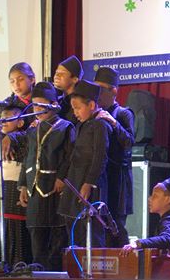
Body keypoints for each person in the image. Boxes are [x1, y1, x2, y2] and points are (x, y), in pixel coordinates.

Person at [18, 82, 76, 271]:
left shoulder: (65, 127)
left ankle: (54, 272)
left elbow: (70, 156)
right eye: (34, 105)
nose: (37, 109)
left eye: (41, 105)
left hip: (54, 188)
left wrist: (62, 177)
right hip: (34, 189)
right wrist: (23, 185)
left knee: (56, 235)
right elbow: (27, 158)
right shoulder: (32, 129)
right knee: (36, 236)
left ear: (53, 104)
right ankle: (38, 271)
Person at [57, 80, 110, 248]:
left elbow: (100, 156)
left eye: (78, 108)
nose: (75, 113)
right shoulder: (81, 125)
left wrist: (89, 182)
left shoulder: (100, 125)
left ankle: (92, 263)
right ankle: (76, 261)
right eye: (73, 108)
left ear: (92, 105)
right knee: (74, 227)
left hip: (89, 183)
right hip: (75, 180)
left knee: (90, 230)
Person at [0, 105, 31, 267]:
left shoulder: (24, 137)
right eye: (1, 119)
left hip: (13, 190)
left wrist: (12, 137)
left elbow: (26, 137)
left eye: (8, 119)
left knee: (14, 228)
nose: (3, 122)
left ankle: (16, 266)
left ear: (20, 122)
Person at [121, 174, 170, 278]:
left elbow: (167, 239)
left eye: (155, 195)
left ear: (168, 199)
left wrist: (138, 243)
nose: (150, 199)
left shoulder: (169, 221)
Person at [94, 66, 135, 247]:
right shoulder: (93, 113)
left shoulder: (124, 113)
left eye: (101, 89)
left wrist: (113, 122)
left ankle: (123, 259)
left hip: (118, 178)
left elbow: (129, 141)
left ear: (114, 91)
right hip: (102, 176)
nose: (98, 93)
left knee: (116, 225)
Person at [53, 55, 84, 123]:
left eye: (62, 74)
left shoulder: (81, 103)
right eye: (56, 73)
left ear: (75, 79)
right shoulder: (57, 101)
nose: (56, 76)